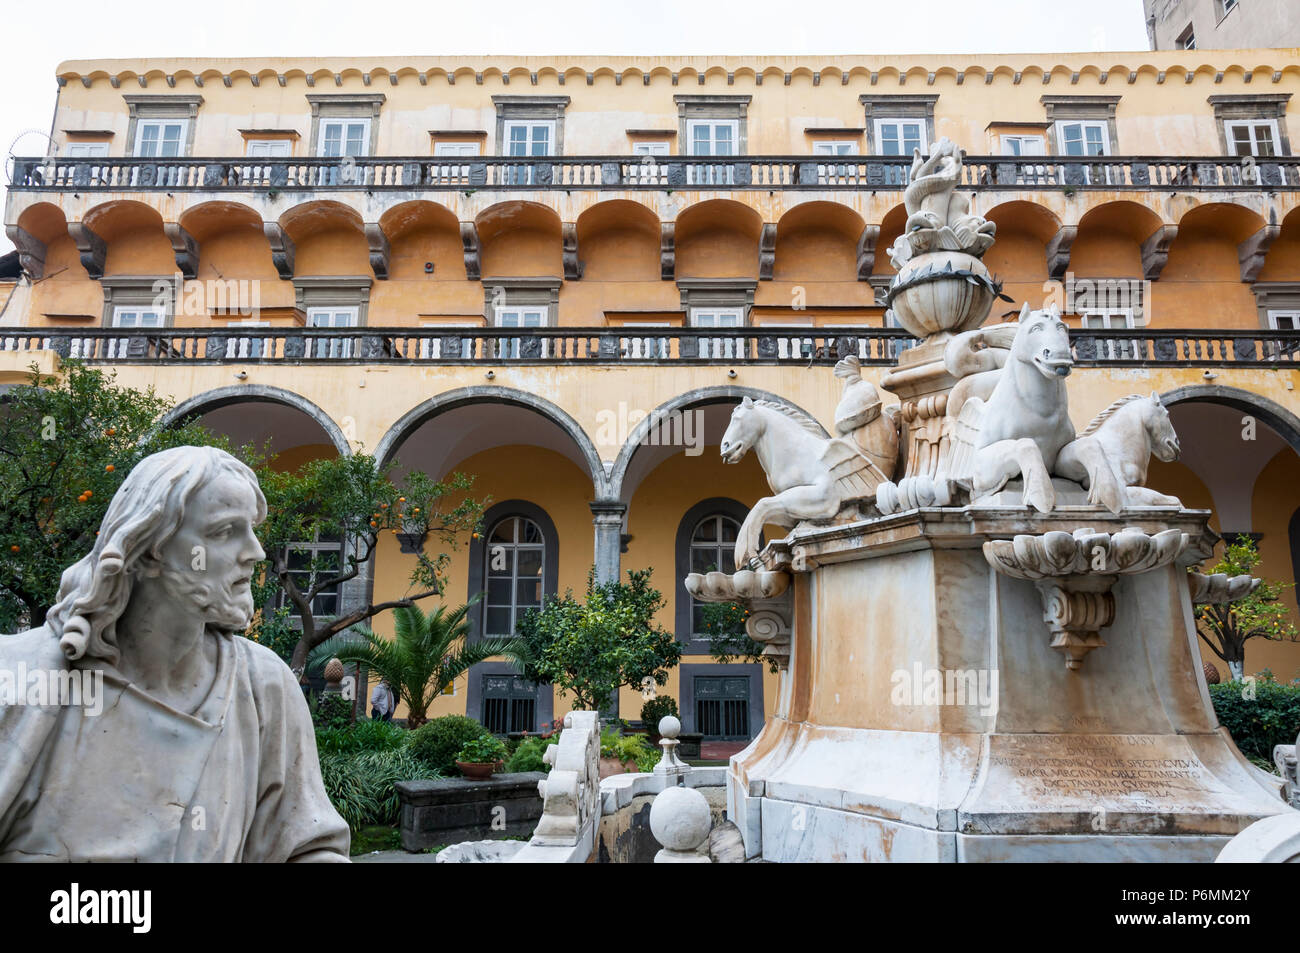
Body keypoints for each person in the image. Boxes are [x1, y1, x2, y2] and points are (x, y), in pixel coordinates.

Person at [0, 446, 350, 862]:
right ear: (148, 550)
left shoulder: (262, 685)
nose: (255, 552)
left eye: (252, 529)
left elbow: (308, 847)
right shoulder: (23, 678)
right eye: (224, 532)